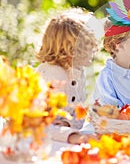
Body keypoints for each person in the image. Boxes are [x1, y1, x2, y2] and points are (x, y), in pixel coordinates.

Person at [36, 8, 98, 144]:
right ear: (70, 49)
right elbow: (35, 122)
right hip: (39, 143)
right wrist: (71, 136)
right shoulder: (51, 76)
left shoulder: (78, 71)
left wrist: (68, 125)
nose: (95, 48)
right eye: (89, 44)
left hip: (60, 141)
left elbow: (78, 115)